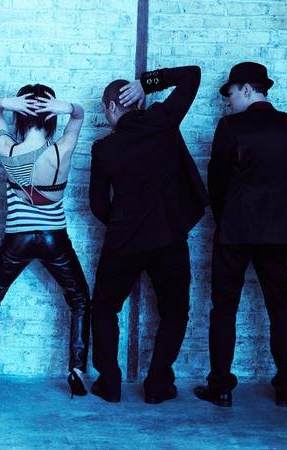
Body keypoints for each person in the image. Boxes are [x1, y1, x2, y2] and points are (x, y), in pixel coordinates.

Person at [89, 66, 208, 403]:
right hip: (169, 237)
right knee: (175, 312)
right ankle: (157, 385)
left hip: (124, 240)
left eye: (105, 109)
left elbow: (98, 204)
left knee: (104, 309)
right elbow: (192, 75)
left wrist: (121, 222)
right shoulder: (162, 120)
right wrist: (148, 83)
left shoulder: (104, 148)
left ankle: (110, 383)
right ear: (138, 102)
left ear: (112, 106)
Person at [194, 62, 287, 408]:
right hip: (278, 229)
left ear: (246, 88)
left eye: (230, 94)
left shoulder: (230, 127)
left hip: (235, 229)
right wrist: (278, 212)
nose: (228, 102)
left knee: (224, 308)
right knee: (281, 308)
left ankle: (221, 387)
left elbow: (216, 183)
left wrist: (226, 217)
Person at [0, 84, 90, 398]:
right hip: (54, 237)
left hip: (18, 237)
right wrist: (66, 108)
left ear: (20, 116)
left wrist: (5, 103)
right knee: (80, 299)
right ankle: (77, 370)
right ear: (51, 118)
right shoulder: (62, 149)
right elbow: (79, 115)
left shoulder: (8, 149)